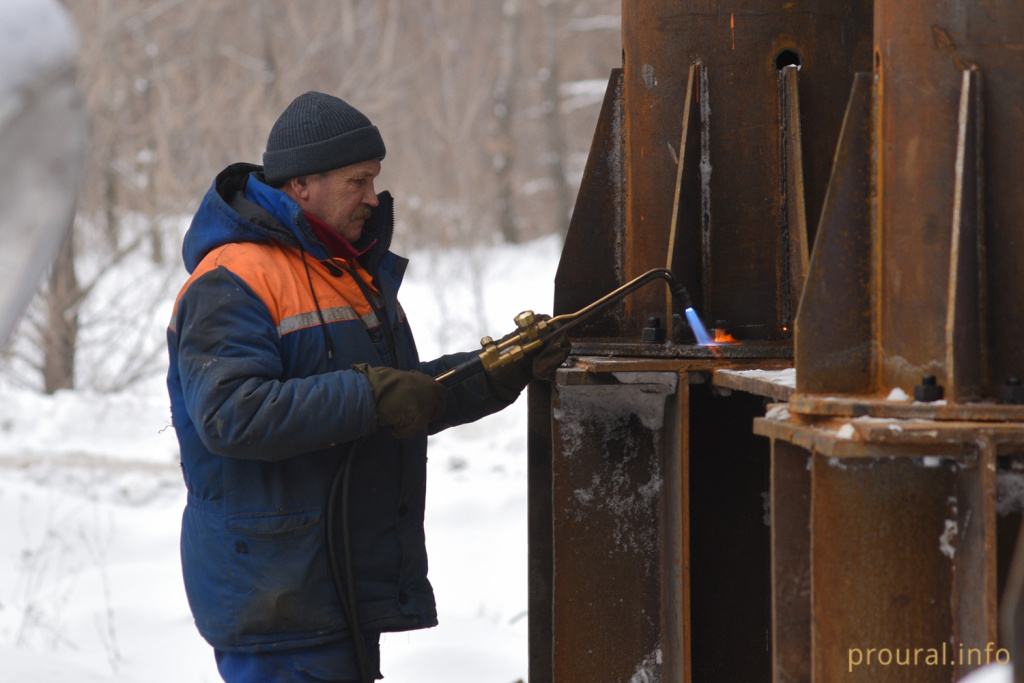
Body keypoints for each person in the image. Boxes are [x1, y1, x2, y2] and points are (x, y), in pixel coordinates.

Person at [166, 91, 569, 682]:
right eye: (357, 181)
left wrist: (494, 371)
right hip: (278, 598)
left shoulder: (344, 271)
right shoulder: (233, 278)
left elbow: (395, 397)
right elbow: (231, 413)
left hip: (330, 587)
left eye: (373, 180)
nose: (372, 198)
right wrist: (373, 395)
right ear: (303, 185)